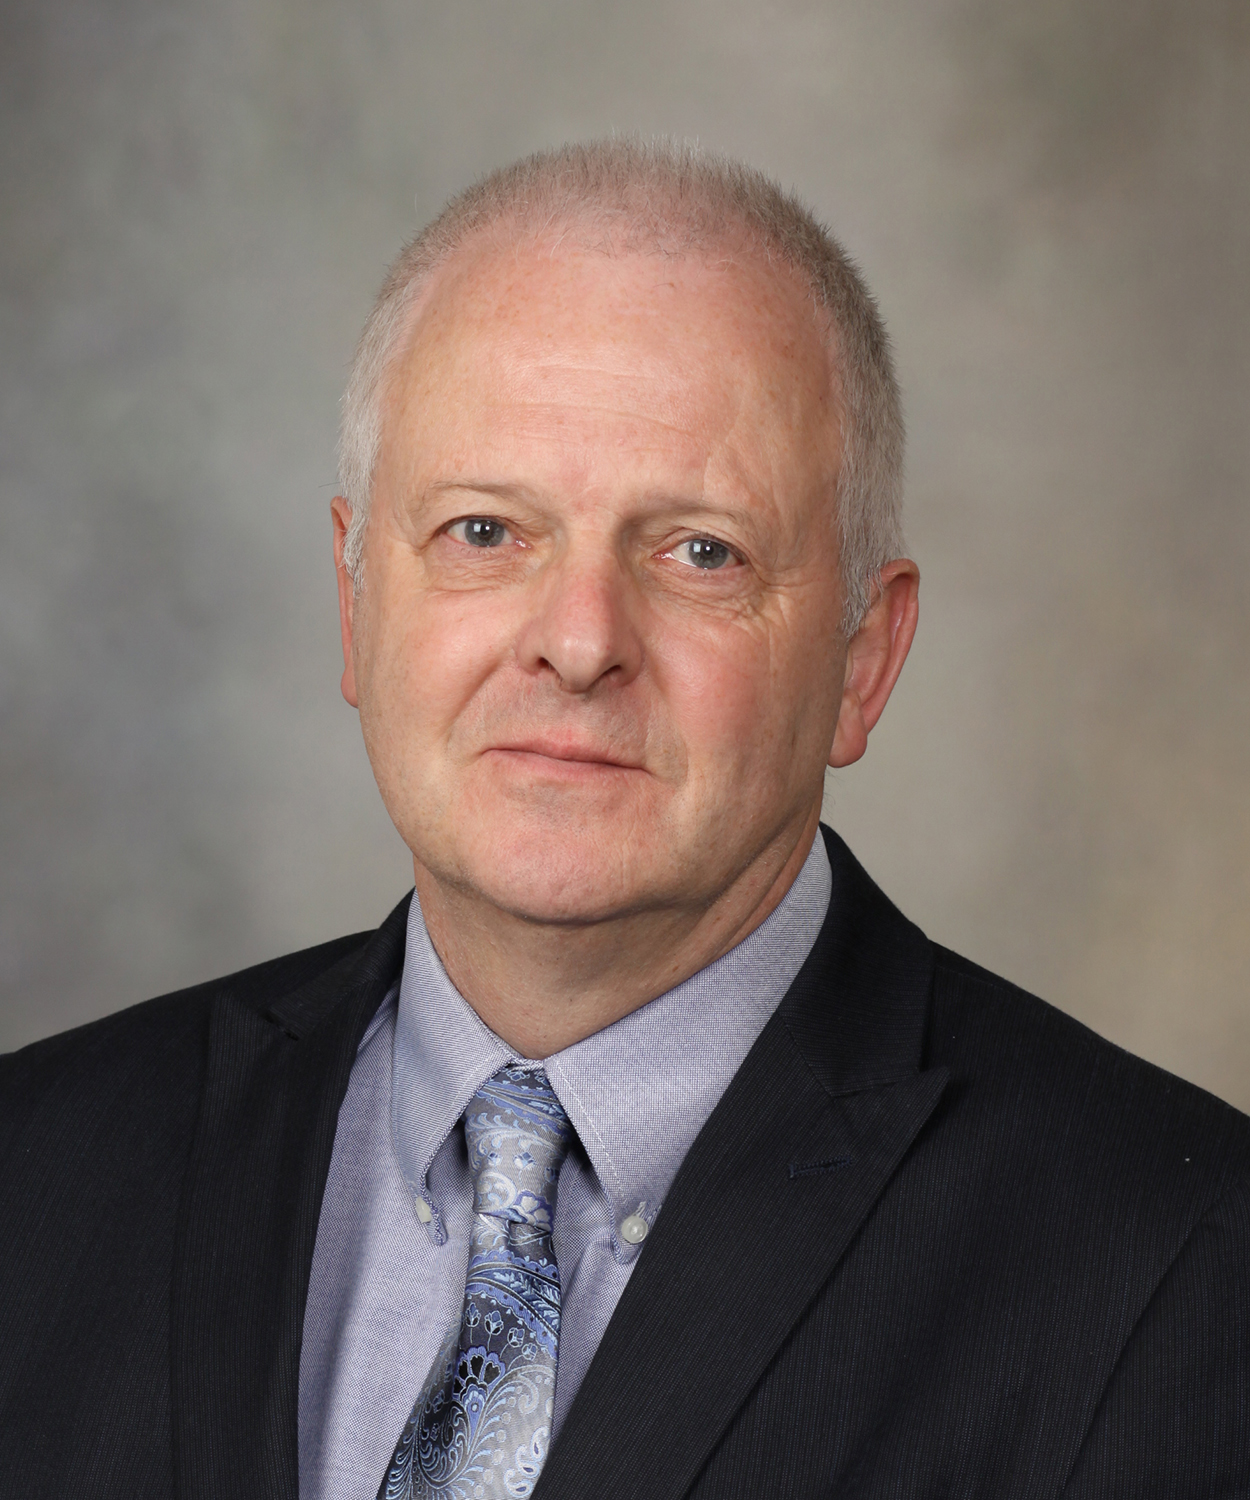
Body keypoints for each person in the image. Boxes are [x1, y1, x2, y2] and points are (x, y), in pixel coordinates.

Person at [1, 140, 1247, 1500]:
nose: (580, 641)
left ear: (862, 658)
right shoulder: (38, 1169)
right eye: (484, 532)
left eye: (701, 552)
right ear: (356, 604)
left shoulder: (1179, 1262)